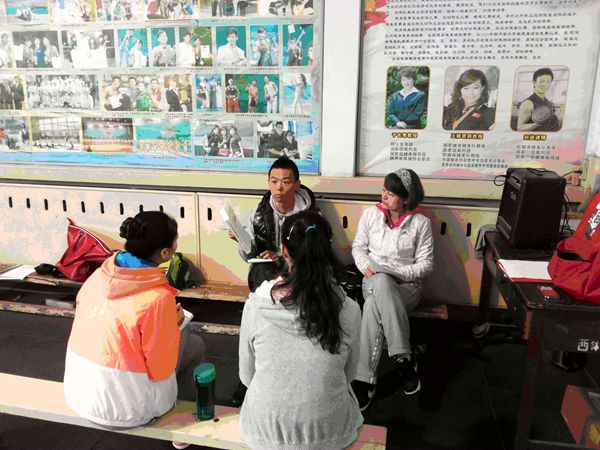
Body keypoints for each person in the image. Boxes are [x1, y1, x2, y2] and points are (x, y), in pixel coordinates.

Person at [63, 212, 205, 436]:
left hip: (78, 395)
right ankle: (176, 421)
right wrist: (173, 325)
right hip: (127, 412)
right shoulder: (157, 298)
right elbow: (160, 368)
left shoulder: (97, 276)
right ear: (165, 253)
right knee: (194, 343)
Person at [238, 210, 363, 450]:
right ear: (326, 249)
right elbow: (348, 375)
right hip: (328, 433)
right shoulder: (349, 310)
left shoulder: (257, 304)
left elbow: (246, 376)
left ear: (283, 251)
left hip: (263, 431)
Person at [228, 156, 319, 405]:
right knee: (260, 273)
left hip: (300, 271)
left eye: (286, 182)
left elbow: (315, 253)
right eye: (274, 181)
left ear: (297, 184)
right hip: (268, 275)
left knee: (261, 298)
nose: (279, 188)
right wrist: (241, 242)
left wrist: (281, 258)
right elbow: (249, 255)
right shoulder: (259, 213)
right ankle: (248, 377)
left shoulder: (310, 214)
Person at [351, 169, 434, 411]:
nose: (384, 196)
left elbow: (426, 265)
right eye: (383, 191)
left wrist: (397, 273)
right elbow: (359, 248)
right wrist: (366, 267)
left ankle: (364, 380)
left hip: (407, 288)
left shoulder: (421, 224)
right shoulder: (370, 215)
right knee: (381, 282)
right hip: (372, 281)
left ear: (406, 198)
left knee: (373, 307)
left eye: (391, 193)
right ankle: (404, 358)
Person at [516, 67, 561, 132]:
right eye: (541, 81)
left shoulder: (546, 100)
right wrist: (536, 124)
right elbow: (520, 128)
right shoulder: (528, 103)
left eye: (548, 82)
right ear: (534, 82)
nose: (545, 85)